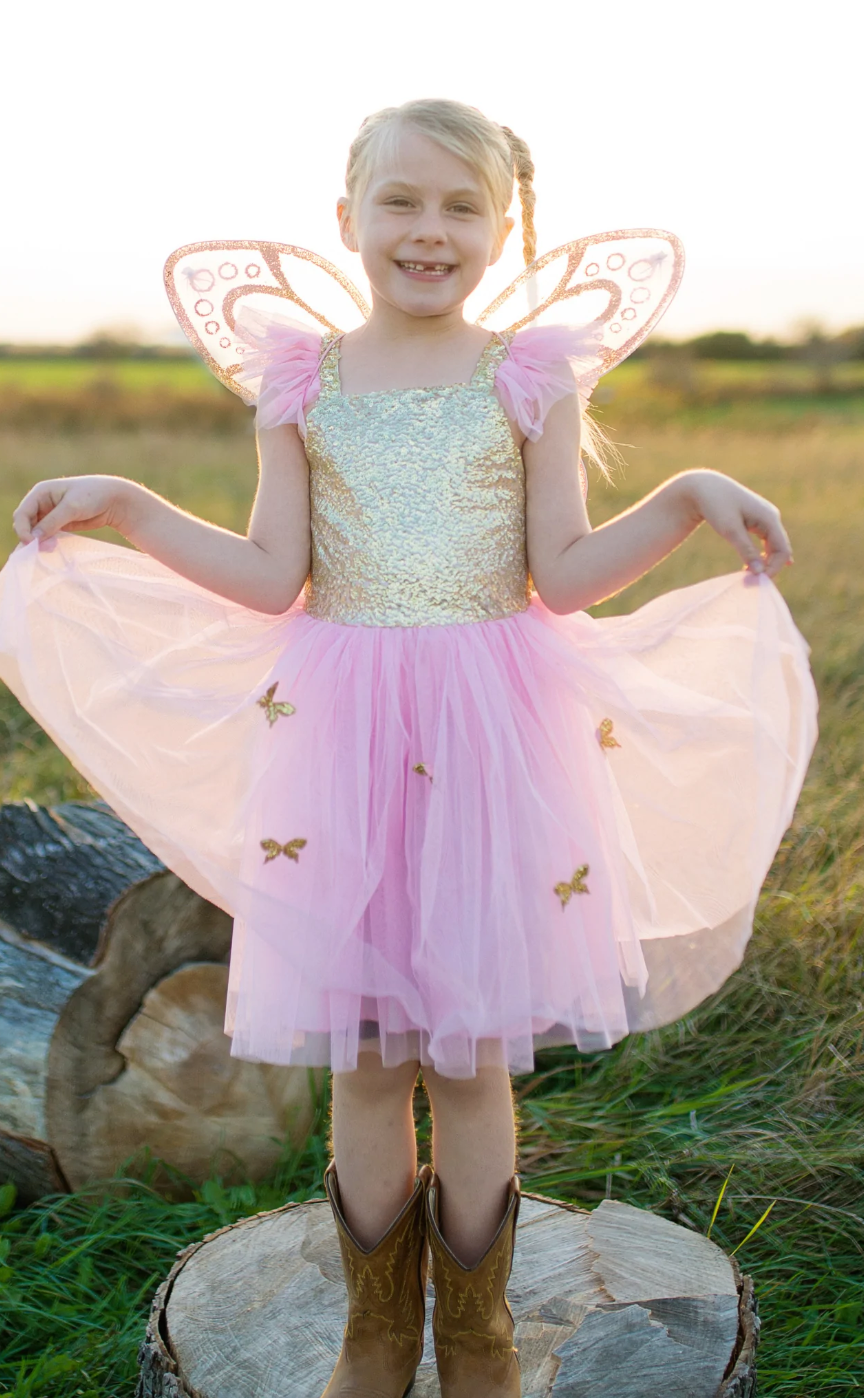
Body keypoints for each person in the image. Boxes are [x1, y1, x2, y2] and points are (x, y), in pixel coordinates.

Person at [0, 99, 816, 1398]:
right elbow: (273, 575)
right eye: (403, 202)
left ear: (502, 230)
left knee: (469, 1055)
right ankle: (377, 1330)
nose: (429, 231)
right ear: (348, 220)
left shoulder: (527, 375)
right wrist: (133, 505)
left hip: (492, 744)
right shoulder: (303, 378)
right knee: (371, 1057)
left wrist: (686, 496)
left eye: (460, 208)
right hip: (342, 745)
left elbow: (563, 569)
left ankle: (481, 1334)